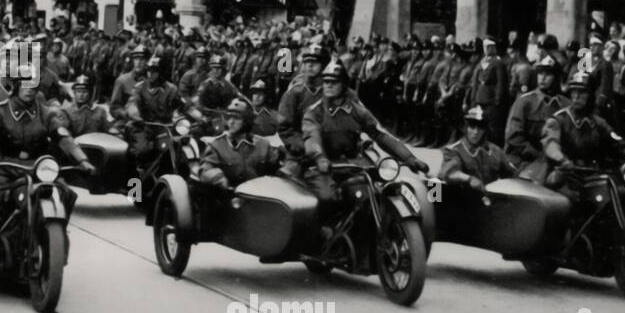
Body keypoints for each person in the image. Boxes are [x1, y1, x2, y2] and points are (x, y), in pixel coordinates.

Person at [0, 64, 96, 238]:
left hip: (36, 168)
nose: (30, 89)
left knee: (66, 194)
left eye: (33, 85)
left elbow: (63, 137)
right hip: (3, 167)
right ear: (15, 86)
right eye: (24, 84)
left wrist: (83, 160)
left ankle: (55, 237)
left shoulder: (44, 112)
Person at [300, 59, 429, 213]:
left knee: (377, 190)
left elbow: (380, 135)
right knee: (329, 198)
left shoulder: (356, 110)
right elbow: (311, 137)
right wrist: (319, 157)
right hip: (324, 167)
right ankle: (326, 231)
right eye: (326, 81)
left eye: (334, 82)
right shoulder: (314, 112)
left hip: (353, 164)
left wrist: (409, 158)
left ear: (344, 85)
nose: (328, 85)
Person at [542, 71, 625, 196]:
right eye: (573, 92)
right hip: (565, 177)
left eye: (582, 92)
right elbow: (550, 143)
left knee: (621, 196)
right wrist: (562, 160)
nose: (576, 97)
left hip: (593, 176)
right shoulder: (559, 120)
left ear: (591, 95)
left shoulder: (597, 122)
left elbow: (621, 145)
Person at [197, 99, 287, 191]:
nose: (231, 122)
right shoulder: (217, 145)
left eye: (236, 118)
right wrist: (218, 178)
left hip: (259, 195)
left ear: (246, 121)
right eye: (228, 118)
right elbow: (205, 171)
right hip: (231, 197)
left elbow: (277, 169)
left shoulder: (263, 144)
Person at [504, 54, 566, 181]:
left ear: (556, 78)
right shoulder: (525, 102)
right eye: (540, 73)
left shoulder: (565, 105)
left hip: (556, 162)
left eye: (548, 74)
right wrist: (540, 156)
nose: (542, 78)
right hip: (525, 161)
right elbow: (514, 138)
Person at [439, 105, 514, 191]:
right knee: (434, 186)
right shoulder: (454, 150)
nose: (476, 132)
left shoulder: (495, 150)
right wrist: (469, 179)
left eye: (480, 128)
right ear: (466, 128)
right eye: (472, 127)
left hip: (490, 198)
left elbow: (511, 174)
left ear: (485, 130)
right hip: (464, 198)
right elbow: (449, 173)